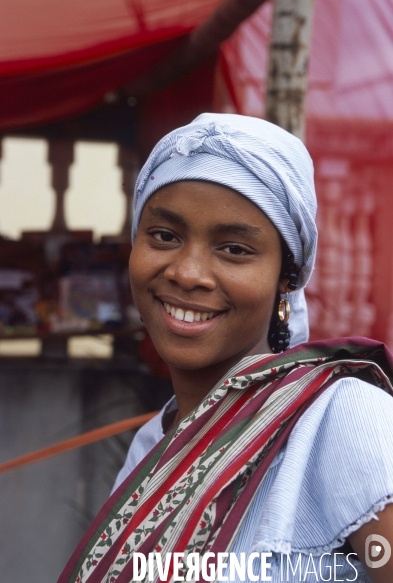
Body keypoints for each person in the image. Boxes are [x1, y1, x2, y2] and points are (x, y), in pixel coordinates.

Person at [58, 114, 393, 583]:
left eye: (234, 249)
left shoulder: (341, 416)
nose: (188, 272)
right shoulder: (152, 447)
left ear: (287, 277)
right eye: (165, 236)